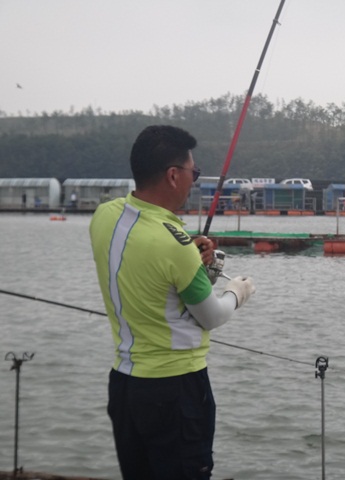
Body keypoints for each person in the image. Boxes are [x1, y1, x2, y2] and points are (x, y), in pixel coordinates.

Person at [89, 125, 255, 480]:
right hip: (176, 393)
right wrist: (237, 293)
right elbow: (211, 316)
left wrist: (191, 259)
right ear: (173, 175)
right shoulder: (175, 247)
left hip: (125, 387)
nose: (195, 180)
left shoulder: (105, 216)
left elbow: (147, 263)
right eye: (194, 172)